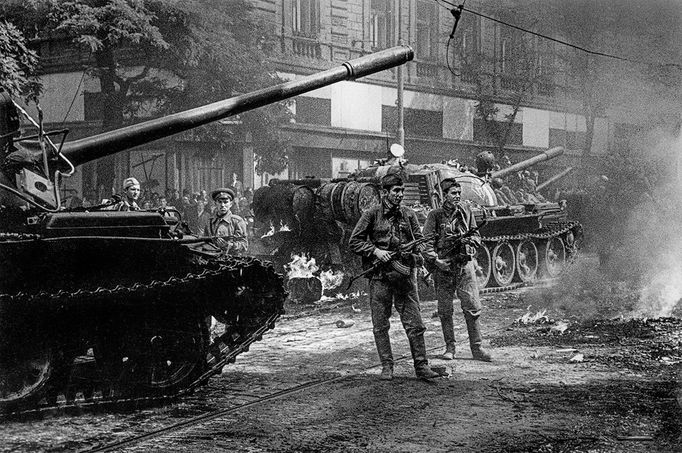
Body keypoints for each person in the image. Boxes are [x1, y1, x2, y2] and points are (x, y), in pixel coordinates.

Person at [349, 170, 440, 381]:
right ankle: (387, 366)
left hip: (405, 278)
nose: (400, 195)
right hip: (380, 278)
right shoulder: (371, 214)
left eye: (402, 191)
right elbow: (354, 241)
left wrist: (418, 257)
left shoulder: (409, 214)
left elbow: (420, 240)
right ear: (385, 192)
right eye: (396, 191)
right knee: (380, 325)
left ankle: (421, 366)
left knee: (415, 324)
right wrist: (376, 251)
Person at [422, 178, 492, 362]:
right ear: (444, 195)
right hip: (444, 268)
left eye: (459, 193)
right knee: (445, 310)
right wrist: (436, 261)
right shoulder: (435, 215)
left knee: (473, 308)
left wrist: (470, 244)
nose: (457, 196)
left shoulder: (466, 211)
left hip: (464, 267)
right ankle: (450, 348)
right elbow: (426, 243)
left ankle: (477, 349)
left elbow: (476, 235)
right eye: (453, 193)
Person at [204, 187, 248, 254]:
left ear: (230, 204)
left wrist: (229, 246)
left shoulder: (237, 221)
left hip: (233, 261)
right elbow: (205, 242)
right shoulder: (210, 222)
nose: (222, 205)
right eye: (220, 202)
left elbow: (244, 245)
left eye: (225, 202)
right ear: (215, 204)